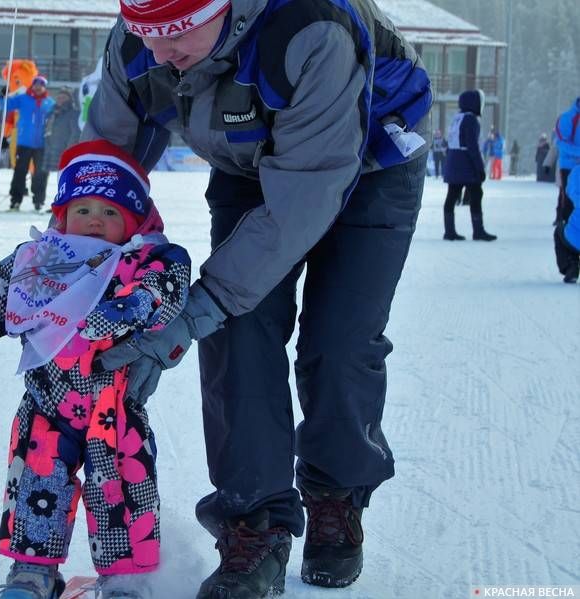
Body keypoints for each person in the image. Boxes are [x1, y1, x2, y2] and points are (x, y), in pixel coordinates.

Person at [83, 0, 432, 595]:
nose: (159, 55)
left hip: (371, 161)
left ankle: (335, 497)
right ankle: (256, 522)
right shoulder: (141, 39)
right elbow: (105, 166)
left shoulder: (310, 28)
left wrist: (194, 309)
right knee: (237, 334)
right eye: (147, 37)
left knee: (340, 338)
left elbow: (305, 198)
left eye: (175, 38)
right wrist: (78, 275)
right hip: (249, 163)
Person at [0, 140, 191, 599]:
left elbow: (166, 284)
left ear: (133, 220)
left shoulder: (143, 260)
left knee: (123, 489)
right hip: (48, 401)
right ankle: (32, 572)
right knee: (36, 480)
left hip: (115, 404)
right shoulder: (38, 261)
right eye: (82, 208)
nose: (94, 220)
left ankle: (126, 580)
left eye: (110, 212)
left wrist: (133, 307)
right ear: (62, 214)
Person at [443, 90, 496, 241]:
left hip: (454, 159)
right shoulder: (471, 119)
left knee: (452, 195)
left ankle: (449, 231)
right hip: (465, 162)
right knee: (476, 194)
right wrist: (479, 167)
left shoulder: (457, 118)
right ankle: (478, 230)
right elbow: (472, 146)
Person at [3, 75, 55, 211]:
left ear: (45, 87)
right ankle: (15, 200)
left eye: (41, 84)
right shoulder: (23, 98)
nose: (38, 87)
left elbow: (57, 119)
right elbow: (6, 105)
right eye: (36, 84)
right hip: (25, 142)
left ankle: (39, 200)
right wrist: (4, 93)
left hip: (43, 144)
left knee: (41, 173)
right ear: (32, 86)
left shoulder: (50, 103)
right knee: (20, 171)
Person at [553, 97, 580, 283]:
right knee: (569, 207)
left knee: (571, 219)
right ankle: (572, 263)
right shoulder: (568, 118)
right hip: (570, 166)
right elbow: (560, 142)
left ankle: (570, 261)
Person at [41, 87, 81, 210]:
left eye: (63, 97)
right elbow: (47, 130)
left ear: (69, 99)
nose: (60, 99)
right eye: (58, 97)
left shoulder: (73, 113)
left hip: (65, 151)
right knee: (57, 179)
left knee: (65, 180)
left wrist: (69, 151)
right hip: (52, 149)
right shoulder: (52, 112)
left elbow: (75, 133)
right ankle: (58, 204)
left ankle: (64, 204)